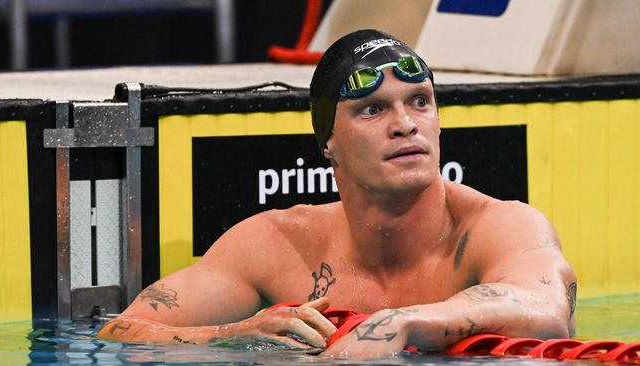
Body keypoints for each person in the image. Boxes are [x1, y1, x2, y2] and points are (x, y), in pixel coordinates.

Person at [98, 29, 577, 358]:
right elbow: (122, 332)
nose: (406, 124)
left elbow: (545, 310)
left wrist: (403, 322)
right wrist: (233, 335)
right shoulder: (277, 244)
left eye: (420, 102)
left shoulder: (501, 225)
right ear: (329, 142)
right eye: (372, 110)